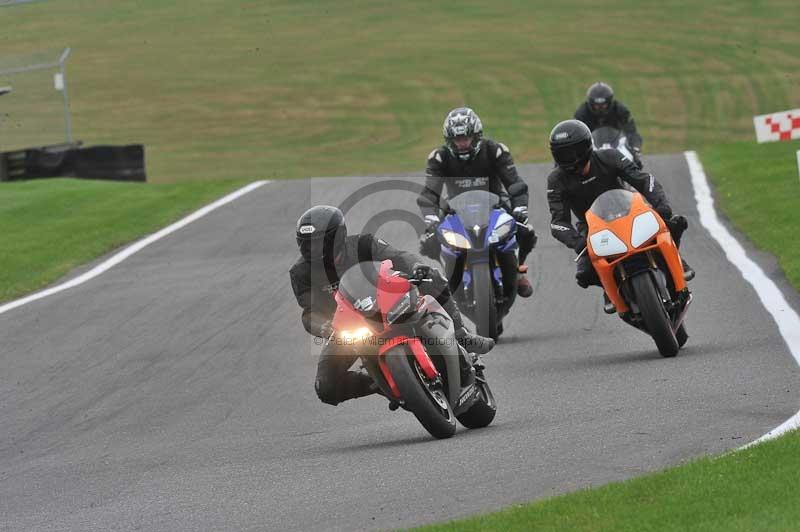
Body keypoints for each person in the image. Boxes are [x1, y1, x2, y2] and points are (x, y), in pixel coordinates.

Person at [290, 205, 495, 407]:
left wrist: (416, 267)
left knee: (432, 276)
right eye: (307, 245)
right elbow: (310, 312)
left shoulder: (364, 244)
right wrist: (325, 327)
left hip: (390, 302)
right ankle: (380, 383)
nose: (313, 250)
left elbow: (399, 257)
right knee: (326, 387)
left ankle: (461, 335)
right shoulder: (300, 273)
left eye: (319, 243)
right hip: (349, 327)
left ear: (338, 236)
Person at [546, 119, 693, 313]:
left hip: (629, 210)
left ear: (584, 147)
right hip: (591, 226)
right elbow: (558, 222)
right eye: (561, 154)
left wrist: (661, 205)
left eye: (571, 152)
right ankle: (609, 288)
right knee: (584, 272)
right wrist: (577, 242)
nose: (567, 159)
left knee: (673, 223)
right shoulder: (556, 180)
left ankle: (676, 259)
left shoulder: (609, 156)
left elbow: (644, 180)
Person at [416, 107, 538, 298]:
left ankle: (519, 270)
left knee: (526, 230)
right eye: (457, 140)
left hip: (495, 206)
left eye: (466, 138)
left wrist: (520, 206)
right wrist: (430, 216)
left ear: (476, 136)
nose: (462, 144)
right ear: (450, 140)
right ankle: (447, 277)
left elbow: (515, 183)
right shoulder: (439, 158)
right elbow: (429, 192)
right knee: (427, 241)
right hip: (455, 210)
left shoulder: (496, 151)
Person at [574, 82, 644, 169]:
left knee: (637, 162)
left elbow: (632, 132)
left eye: (603, 105)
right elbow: (575, 134)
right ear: (591, 104)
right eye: (597, 106)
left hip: (617, 146)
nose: (600, 109)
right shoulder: (582, 113)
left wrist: (635, 148)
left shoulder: (620, 109)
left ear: (610, 102)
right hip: (591, 146)